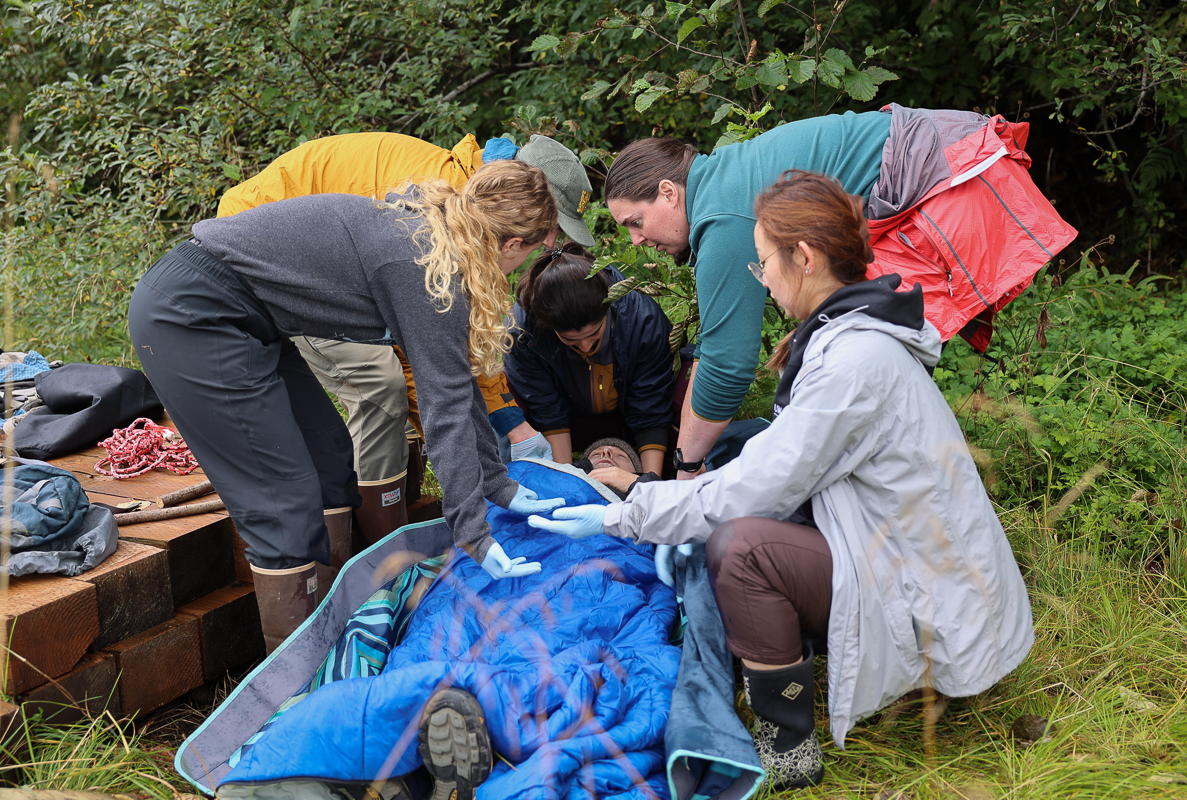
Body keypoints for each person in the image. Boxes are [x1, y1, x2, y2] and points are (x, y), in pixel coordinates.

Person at [530, 171, 1035, 790]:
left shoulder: (854, 362)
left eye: (763, 262)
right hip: (904, 555)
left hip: (924, 595)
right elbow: (769, 458)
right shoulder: (848, 337)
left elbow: (756, 489)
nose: (762, 278)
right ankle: (777, 664)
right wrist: (647, 492)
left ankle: (787, 748)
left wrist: (624, 513)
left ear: (804, 256)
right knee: (738, 453)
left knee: (741, 552)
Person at [129, 161, 568, 652]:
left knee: (328, 459)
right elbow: (443, 410)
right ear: (509, 245)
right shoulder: (423, 265)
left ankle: (335, 621)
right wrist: (473, 532)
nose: (519, 269)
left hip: (249, 319)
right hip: (193, 313)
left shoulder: (439, 240)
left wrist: (497, 485)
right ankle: (295, 678)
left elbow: (457, 385)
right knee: (284, 504)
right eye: (529, 256)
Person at [603, 106, 1077, 478]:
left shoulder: (723, 219)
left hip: (950, 180)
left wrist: (686, 473)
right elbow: (715, 354)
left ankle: (909, 492)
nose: (636, 241)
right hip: (949, 157)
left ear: (668, 192)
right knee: (860, 356)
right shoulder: (723, 184)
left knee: (877, 357)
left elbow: (727, 364)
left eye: (635, 223)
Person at [217, 131, 597, 545]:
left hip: (320, 265)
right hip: (264, 260)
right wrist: (473, 467)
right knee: (380, 384)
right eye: (551, 226)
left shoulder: (479, 211)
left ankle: (401, 500)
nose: (550, 242)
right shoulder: (445, 206)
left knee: (412, 393)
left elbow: (459, 347)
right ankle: (387, 548)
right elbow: (427, 358)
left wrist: (509, 423)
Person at [505, 244, 675, 475]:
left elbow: (650, 405)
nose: (586, 347)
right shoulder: (522, 333)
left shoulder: (642, 319)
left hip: (627, 412)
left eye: (594, 334)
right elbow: (548, 411)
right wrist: (566, 483)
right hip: (566, 418)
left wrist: (648, 484)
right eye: (570, 340)